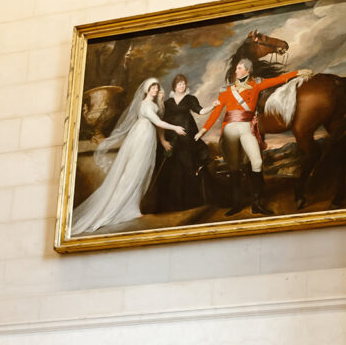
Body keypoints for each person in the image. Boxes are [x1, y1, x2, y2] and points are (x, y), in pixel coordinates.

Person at [194, 58, 312, 217]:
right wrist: (203, 130)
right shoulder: (227, 90)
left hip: (246, 127)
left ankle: (256, 203)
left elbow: (278, 80)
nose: (236, 70)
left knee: (257, 162)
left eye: (240, 68)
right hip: (230, 128)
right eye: (236, 68)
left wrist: (298, 73)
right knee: (234, 167)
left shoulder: (256, 85)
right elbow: (216, 111)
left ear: (247, 71)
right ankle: (237, 203)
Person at [71, 77, 186, 236]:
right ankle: (127, 207)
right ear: (146, 89)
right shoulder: (144, 104)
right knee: (134, 170)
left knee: (142, 171)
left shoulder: (153, 104)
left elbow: (159, 120)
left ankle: (134, 206)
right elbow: (157, 121)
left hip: (147, 135)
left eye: (156, 87)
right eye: (152, 87)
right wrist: (176, 128)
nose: (155, 89)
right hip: (141, 136)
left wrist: (163, 139)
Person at [155, 74, 214, 211]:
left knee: (189, 166)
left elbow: (201, 111)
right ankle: (175, 203)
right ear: (174, 86)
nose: (182, 86)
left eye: (184, 84)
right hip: (172, 138)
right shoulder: (167, 103)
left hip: (188, 137)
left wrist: (213, 106)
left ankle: (191, 202)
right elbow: (161, 121)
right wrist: (164, 139)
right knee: (174, 169)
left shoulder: (190, 99)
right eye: (179, 84)